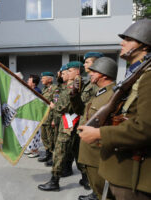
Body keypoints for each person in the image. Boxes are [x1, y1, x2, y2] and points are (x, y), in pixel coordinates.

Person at [78, 19, 151, 200]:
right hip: (119, 171)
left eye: (129, 39)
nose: (122, 42)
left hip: (132, 177)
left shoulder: (148, 76)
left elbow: (145, 127)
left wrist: (99, 134)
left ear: (145, 45)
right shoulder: (136, 74)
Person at [74, 57, 117, 200]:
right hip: (90, 153)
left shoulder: (113, 96)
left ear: (104, 74)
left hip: (98, 155)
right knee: (97, 191)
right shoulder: (101, 93)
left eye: (93, 71)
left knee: (104, 194)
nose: (89, 74)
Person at [38, 61, 83, 191]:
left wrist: (54, 106)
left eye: (69, 71)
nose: (66, 74)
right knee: (74, 152)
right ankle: (85, 179)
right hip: (66, 123)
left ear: (77, 72)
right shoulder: (66, 86)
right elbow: (60, 91)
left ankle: (54, 181)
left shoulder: (76, 86)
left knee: (60, 152)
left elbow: (63, 105)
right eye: (65, 72)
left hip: (70, 123)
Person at [70, 52, 104, 192]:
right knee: (80, 155)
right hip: (83, 124)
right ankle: (88, 181)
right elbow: (81, 109)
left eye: (87, 62)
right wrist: (74, 95)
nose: (84, 65)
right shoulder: (87, 82)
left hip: (93, 127)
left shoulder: (98, 84)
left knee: (93, 160)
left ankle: (94, 189)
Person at [37, 72, 56, 166]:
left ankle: (53, 157)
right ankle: (48, 154)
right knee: (44, 138)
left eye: (43, 78)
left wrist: (54, 119)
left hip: (50, 118)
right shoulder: (44, 89)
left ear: (50, 79)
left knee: (51, 138)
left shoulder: (55, 89)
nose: (41, 80)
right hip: (44, 117)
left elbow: (55, 105)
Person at [25, 74, 42, 158]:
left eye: (29, 80)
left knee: (35, 134)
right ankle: (31, 149)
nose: (28, 81)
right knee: (31, 133)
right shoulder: (32, 89)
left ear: (34, 83)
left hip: (35, 116)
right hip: (31, 115)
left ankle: (35, 151)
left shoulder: (36, 91)